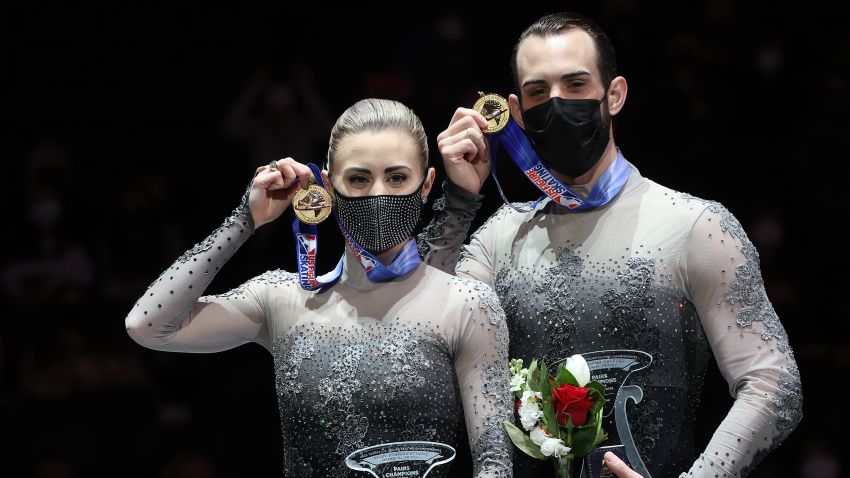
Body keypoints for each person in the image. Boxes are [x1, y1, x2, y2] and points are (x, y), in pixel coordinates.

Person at [418, 12, 801, 478]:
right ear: (516, 113)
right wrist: (459, 200)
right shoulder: (500, 238)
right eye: (539, 92)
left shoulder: (695, 225)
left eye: (576, 85)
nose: (557, 103)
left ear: (614, 94)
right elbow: (423, 348)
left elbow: (772, 382)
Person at [126, 98, 514, 477]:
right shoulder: (281, 299)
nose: (377, 193)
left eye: (396, 177)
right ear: (328, 184)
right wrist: (245, 220)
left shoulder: (466, 302)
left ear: (427, 184)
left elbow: (495, 465)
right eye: (359, 179)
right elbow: (147, 325)